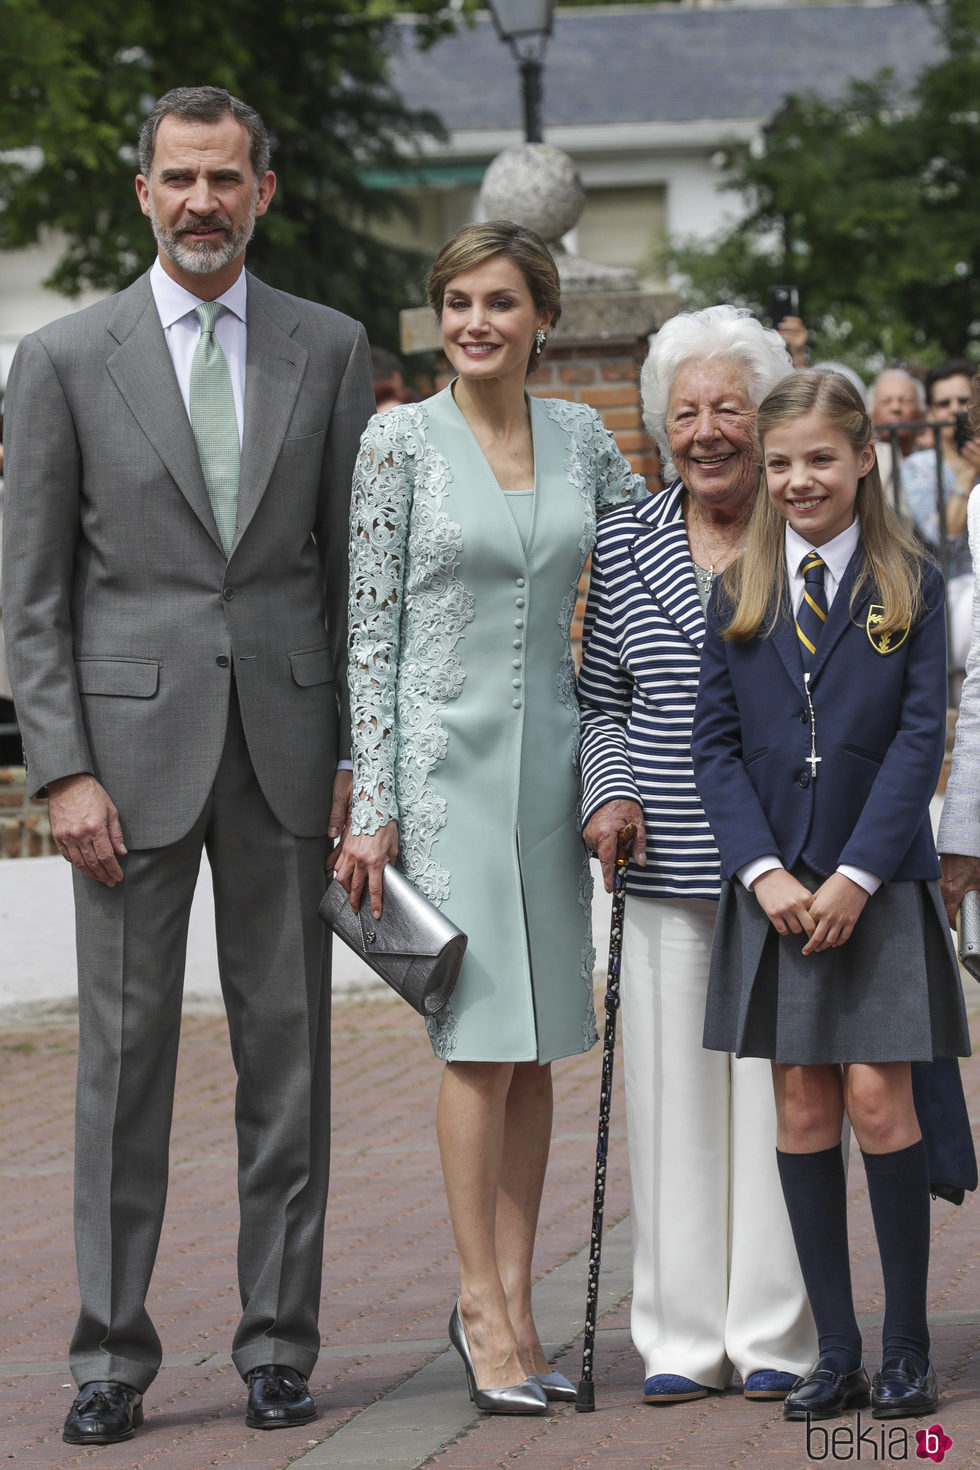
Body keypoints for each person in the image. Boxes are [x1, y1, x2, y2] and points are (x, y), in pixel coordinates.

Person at [2, 86, 374, 1445]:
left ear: (263, 191)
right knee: (122, 1068)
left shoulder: (328, 348)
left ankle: (280, 1340)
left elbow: (352, 578)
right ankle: (109, 1356)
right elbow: (29, 595)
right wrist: (61, 774)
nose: (203, 201)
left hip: (286, 756)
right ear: (143, 193)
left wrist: (356, 758)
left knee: (291, 1064)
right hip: (124, 768)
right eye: (180, 178)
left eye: (227, 178)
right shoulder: (58, 358)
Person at [334, 220, 644, 1415]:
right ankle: (476, 1304)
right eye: (457, 302)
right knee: (477, 1046)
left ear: (541, 319)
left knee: (538, 1044)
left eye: (500, 303)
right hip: (437, 774)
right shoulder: (395, 441)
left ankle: (516, 1308)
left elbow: (641, 557)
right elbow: (367, 627)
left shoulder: (581, 436)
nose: (475, 322)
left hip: (554, 773)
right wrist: (373, 803)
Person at [691, 369, 971, 1423]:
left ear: (862, 457)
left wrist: (853, 873)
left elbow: (917, 741)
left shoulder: (910, 584)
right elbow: (711, 747)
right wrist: (763, 873)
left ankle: (904, 1350)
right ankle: (836, 1350)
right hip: (775, 894)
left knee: (874, 1099)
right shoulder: (739, 588)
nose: (797, 479)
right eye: (779, 464)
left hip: (876, 885)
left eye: (818, 458)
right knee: (802, 1106)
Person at [577, 304, 815, 1406]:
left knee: (782, 1099)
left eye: (729, 406)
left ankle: (775, 1332)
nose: (708, 429)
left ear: (762, 414)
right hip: (663, 865)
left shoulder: (803, 529)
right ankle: (677, 1336)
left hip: (784, 865)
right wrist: (609, 793)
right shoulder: (624, 536)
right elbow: (602, 701)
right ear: (658, 423)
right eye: (687, 410)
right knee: (671, 1105)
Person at [901, 359, 980, 673]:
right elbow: (943, 536)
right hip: (953, 592)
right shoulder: (918, 467)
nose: (955, 411)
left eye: (964, 401)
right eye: (944, 403)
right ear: (930, 413)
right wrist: (968, 474)